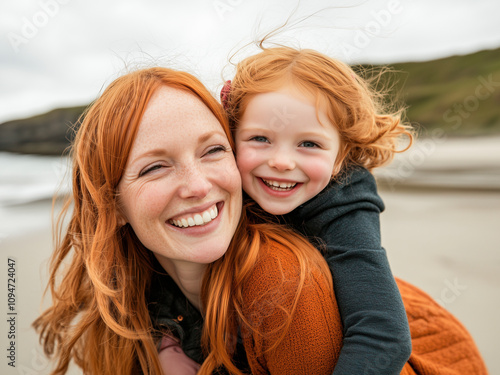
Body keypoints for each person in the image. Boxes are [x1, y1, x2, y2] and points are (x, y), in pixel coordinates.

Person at [33, 67, 488, 375]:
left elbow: (384, 337)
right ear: (110, 205)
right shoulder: (129, 298)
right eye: (155, 167)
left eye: (212, 150)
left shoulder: (286, 278)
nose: (197, 186)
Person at [222, 45, 413, 374]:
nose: (281, 162)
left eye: (308, 144)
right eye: (259, 139)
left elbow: (385, 334)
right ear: (231, 137)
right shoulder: (221, 190)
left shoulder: (343, 204)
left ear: (340, 157)